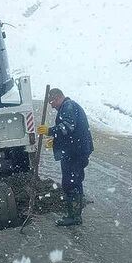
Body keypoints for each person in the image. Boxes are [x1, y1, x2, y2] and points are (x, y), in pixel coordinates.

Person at [37, 88, 94, 226]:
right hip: (75, 151)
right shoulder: (68, 106)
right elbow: (69, 132)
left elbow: (67, 127)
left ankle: (74, 217)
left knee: (71, 183)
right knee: (73, 182)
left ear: (57, 98)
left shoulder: (68, 106)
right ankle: (74, 214)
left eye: (51, 102)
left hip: (76, 153)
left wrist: (50, 131)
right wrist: (56, 141)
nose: (51, 105)